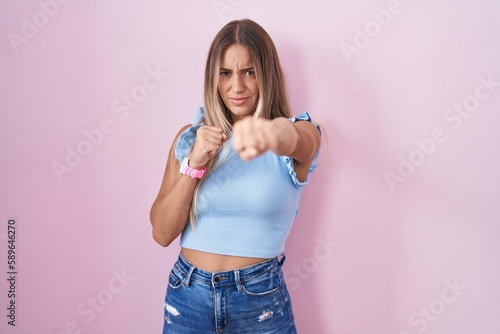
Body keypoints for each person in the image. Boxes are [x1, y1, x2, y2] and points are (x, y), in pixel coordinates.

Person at [150, 18, 321, 333]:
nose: (236, 87)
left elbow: (297, 139)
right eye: (225, 73)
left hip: (259, 302)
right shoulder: (191, 138)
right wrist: (194, 164)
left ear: (266, 75)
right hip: (187, 295)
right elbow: (161, 234)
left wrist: (270, 132)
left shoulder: (298, 133)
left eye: (249, 72)